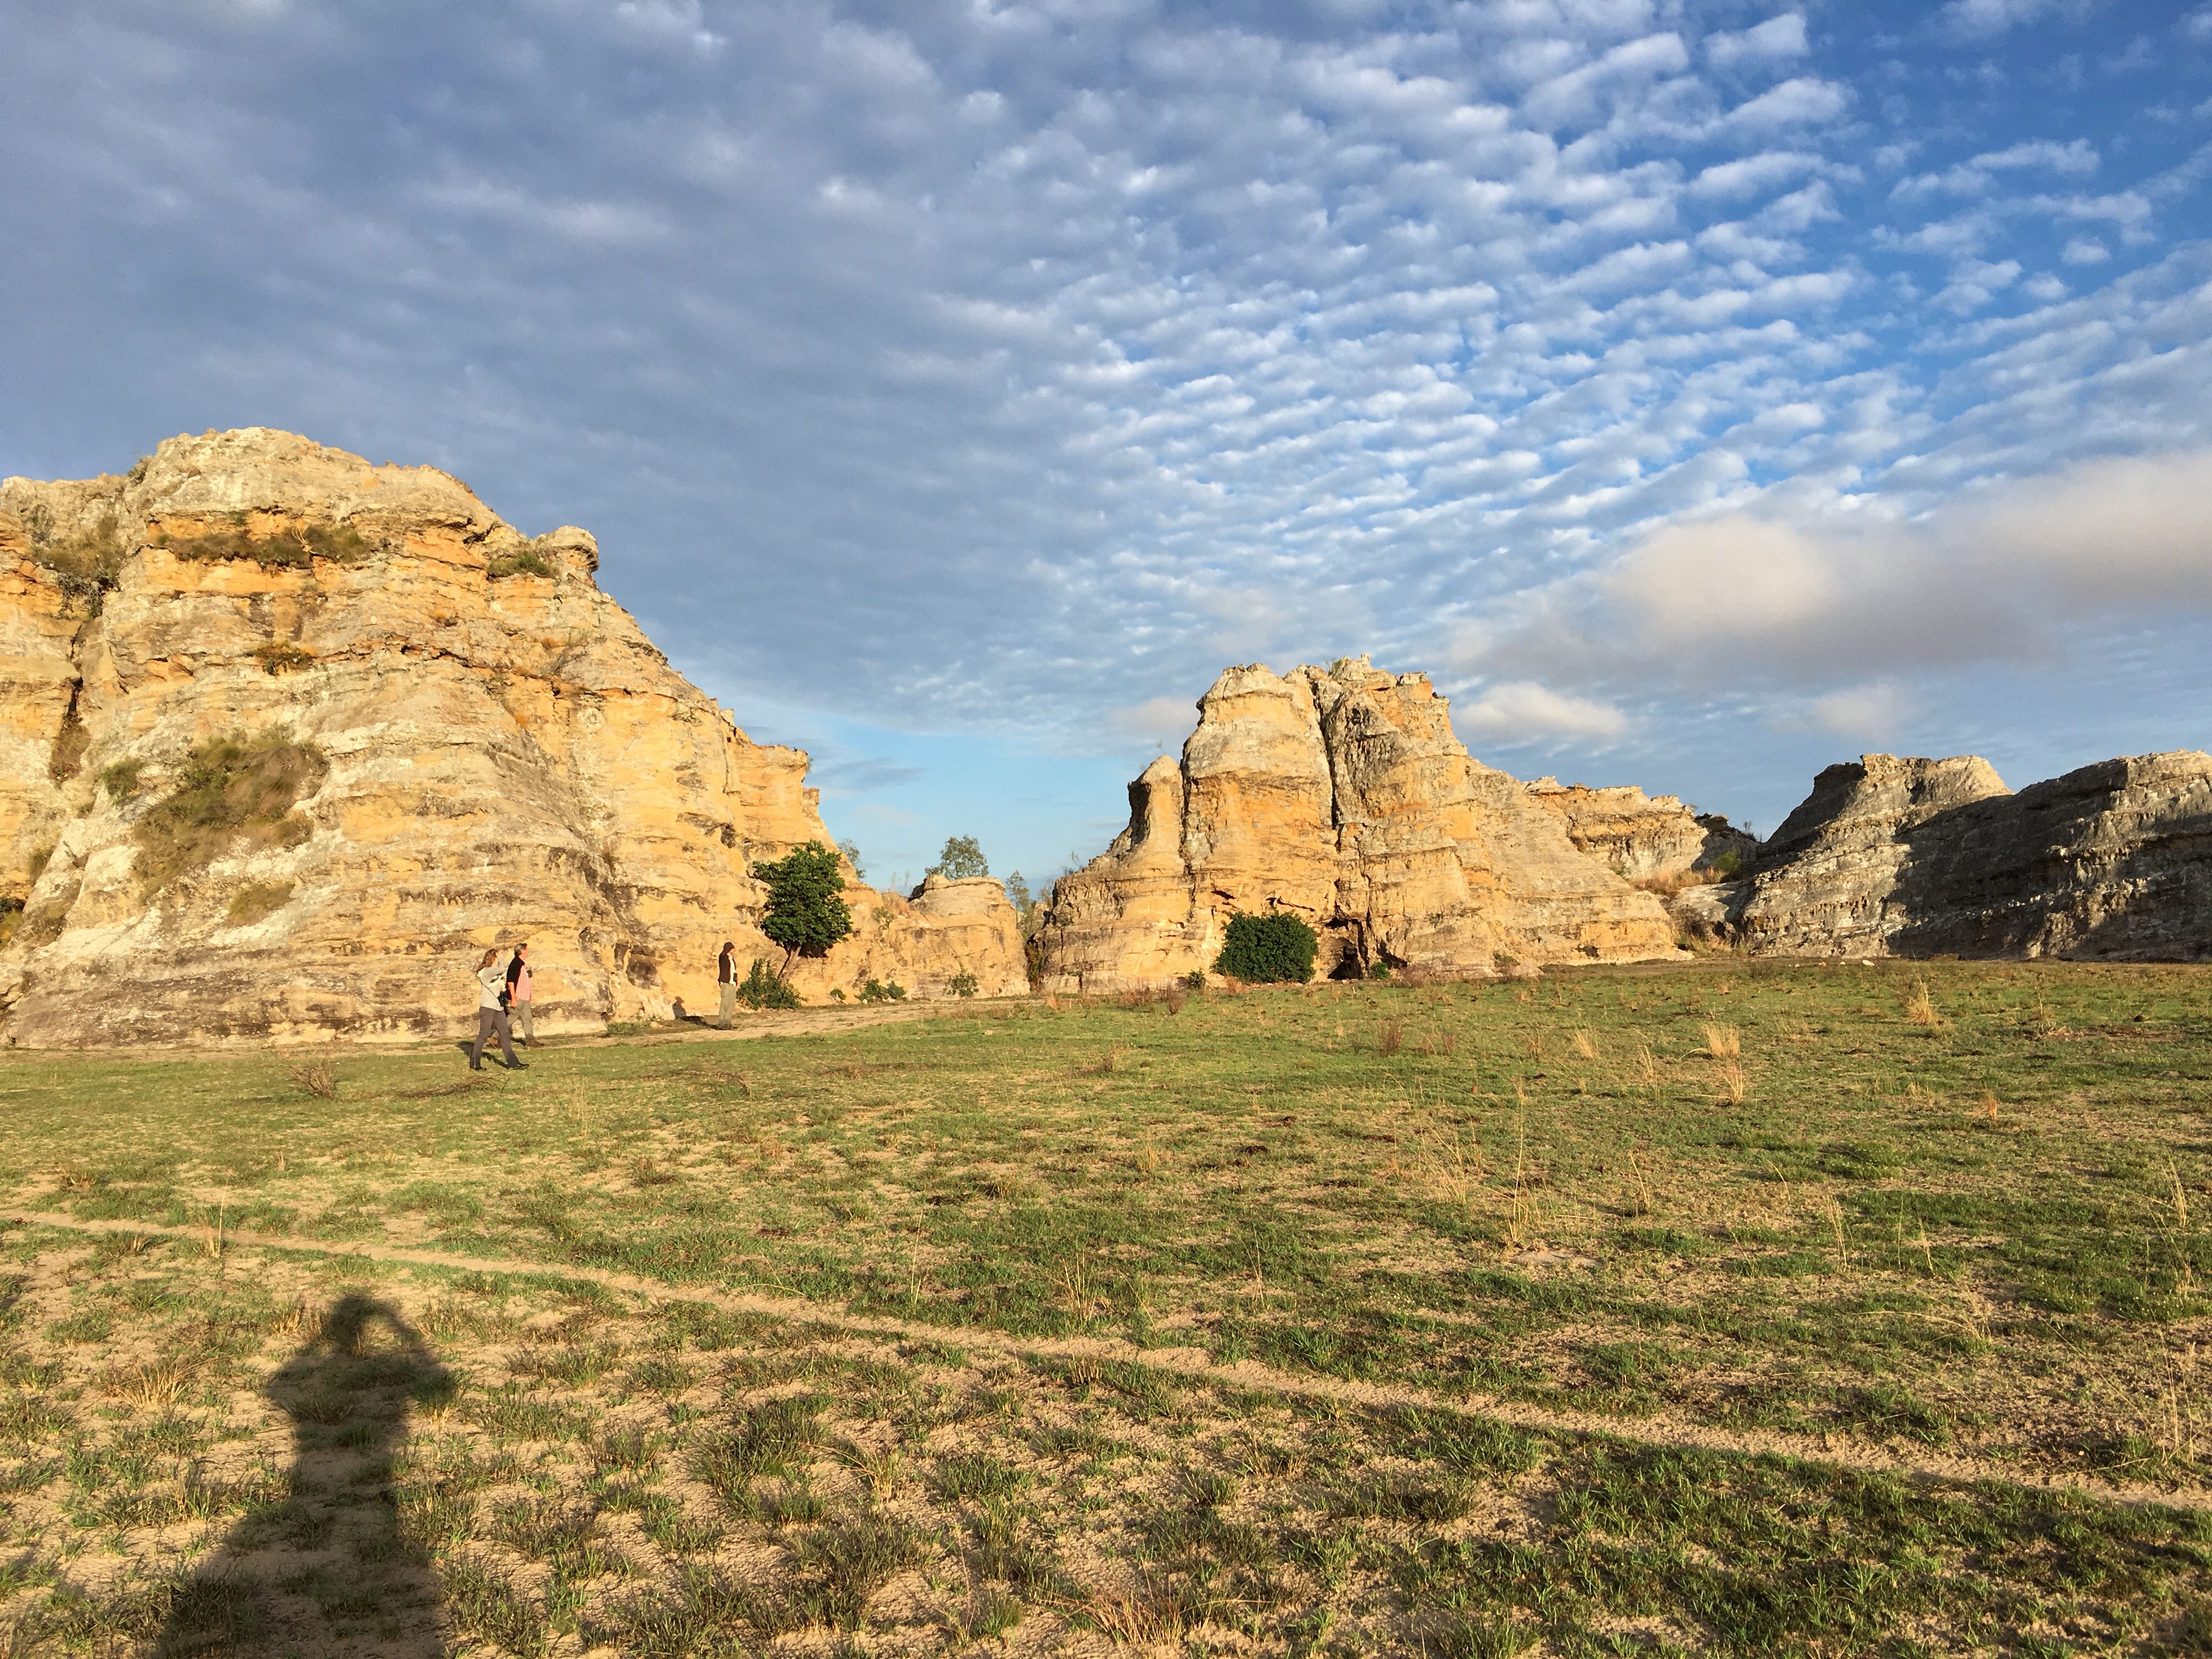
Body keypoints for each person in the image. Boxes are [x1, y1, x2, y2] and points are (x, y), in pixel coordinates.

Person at [470, 947, 526, 1071]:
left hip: (498, 1008)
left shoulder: (495, 973)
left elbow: (502, 974)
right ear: (494, 957)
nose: (500, 958)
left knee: (505, 1034)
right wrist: (501, 957)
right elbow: (502, 968)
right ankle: (475, 1063)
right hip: (487, 1008)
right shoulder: (487, 971)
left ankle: (513, 1063)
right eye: (498, 956)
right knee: (484, 1034)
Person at [505, 941, 535, 1046]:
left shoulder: (522, 963)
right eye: (526, 949)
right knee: (512, 1017)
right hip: (519, 996)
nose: (528, 951)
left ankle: (530, 1040)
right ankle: (496, 1037)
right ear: (522, 951)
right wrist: (514, 998)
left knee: (527, 1018)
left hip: (525, 996)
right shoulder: (516, 963)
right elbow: (511, 982)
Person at [717, 940, 737, 1029]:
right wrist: (727, 954)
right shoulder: (723, 957)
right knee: (725, 1003)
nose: (734, 949)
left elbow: (734, 972)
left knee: (731, 1003)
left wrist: (736, 983)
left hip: (732, 983)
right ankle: (722, 1023)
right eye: (732, 948)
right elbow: (722, 957)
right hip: (726, 982)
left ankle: (728, 1023)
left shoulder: (732, 959)